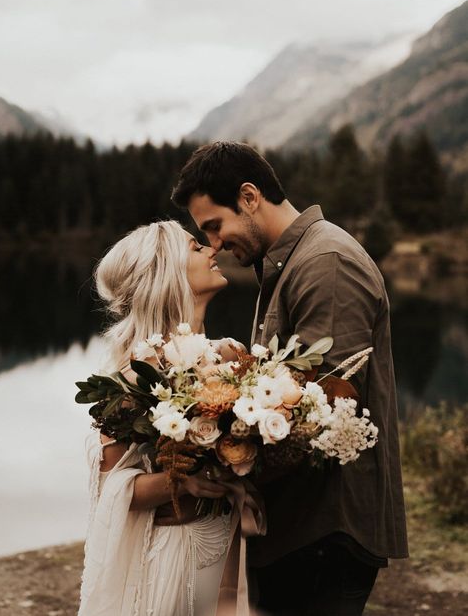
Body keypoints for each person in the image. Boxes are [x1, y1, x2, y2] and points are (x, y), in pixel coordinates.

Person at [172, 141, 409, 616]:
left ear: (249, 196)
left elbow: (329, 406)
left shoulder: (326, 264)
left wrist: (222, 463)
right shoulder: (285, 264)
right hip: (298, 530)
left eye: (214, 227)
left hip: (324, 532)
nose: (214, 244)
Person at [78, 220, 240, 616]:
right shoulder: (134, 378)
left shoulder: (233, 359)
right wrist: (185, 481)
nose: (210, 249)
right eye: (194, 246)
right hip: (173, 552)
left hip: (228, 539)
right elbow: (117, 491)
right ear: (166, 272)